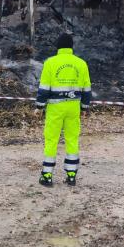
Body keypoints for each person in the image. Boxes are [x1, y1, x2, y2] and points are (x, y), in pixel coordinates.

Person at [35, 33, 92, 187]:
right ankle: (71, 175)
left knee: (51, 140)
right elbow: (87, 89)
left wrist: (39, 106)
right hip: (74, 107)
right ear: (71, 47)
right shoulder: (81, 63)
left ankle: (47, 176)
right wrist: (85, 107)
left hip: (55, 108)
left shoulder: (50, 63)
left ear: (58, 47)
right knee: (72, 140)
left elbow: (44, 88)